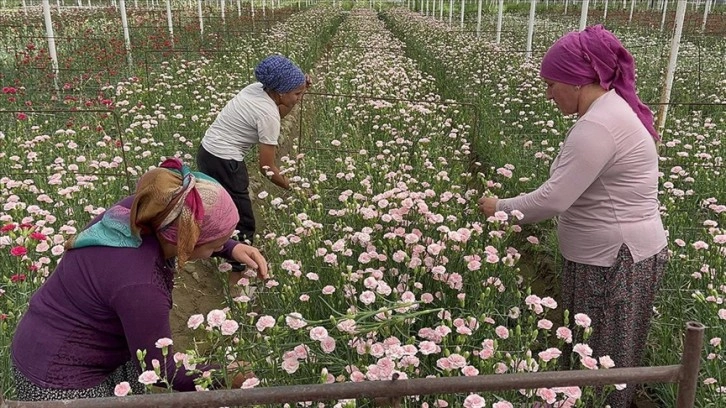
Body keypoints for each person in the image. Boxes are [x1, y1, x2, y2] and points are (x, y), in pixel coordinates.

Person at [478, 25, 668, 408]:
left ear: (577, 81)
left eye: (552, 84)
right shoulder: (612, 110)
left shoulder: (599, 125)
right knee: (602, 355)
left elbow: (554, 198)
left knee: (600, 363)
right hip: (616, 257)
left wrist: (498, 208)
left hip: (614, 263)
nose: (549, 94)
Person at [10, 158, 268, 401]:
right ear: (185, 240)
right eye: (215, 245)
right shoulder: (141, 284)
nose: (218, 249)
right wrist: (224, 373)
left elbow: (187, 225)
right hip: (58, 381)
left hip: (49, 334)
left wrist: (230, 247)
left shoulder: (148, 209)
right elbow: (162, 371)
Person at [197, 54, 311, 254]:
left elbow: (278, 113)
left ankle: (209, 249)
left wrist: (296, 95)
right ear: (281, 93)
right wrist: (294, 187)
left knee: (217, 207)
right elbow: (266, 168)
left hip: (207, 152)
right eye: (297, 93)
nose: (299, 98)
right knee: (242, 219)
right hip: (226, 161)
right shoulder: (267, 114)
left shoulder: (256, 89)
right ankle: (237, 273)